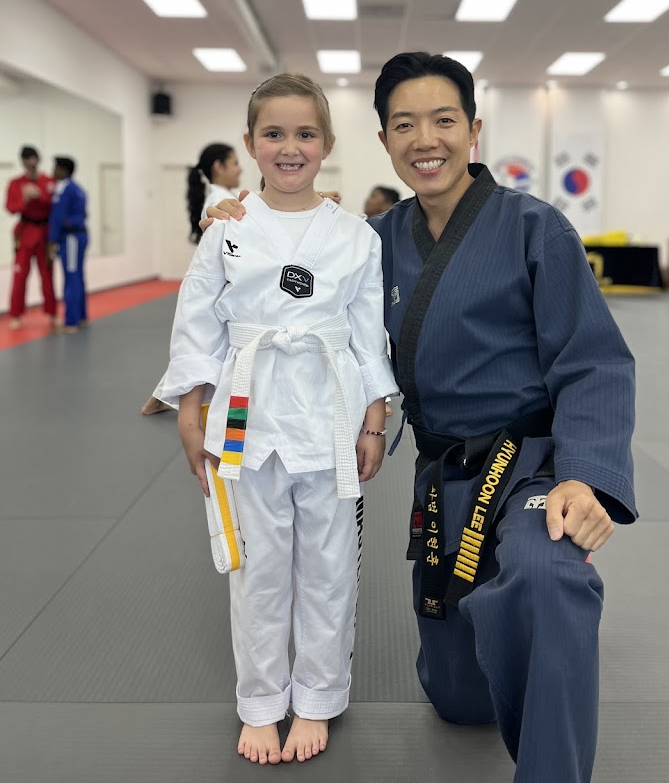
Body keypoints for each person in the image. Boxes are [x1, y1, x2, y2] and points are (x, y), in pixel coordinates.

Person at [204, 52, 636, 783]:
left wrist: (585, 478)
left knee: (547, 572)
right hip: (443, 477)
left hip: (531, 463)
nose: (425, 139)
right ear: (383, 140)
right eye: (405, 124)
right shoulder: (370, 240)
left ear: (473, 130)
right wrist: (238, 222)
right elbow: (288, 285)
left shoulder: (537, 229)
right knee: (460, 699)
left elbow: (595, 362)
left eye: (443, 120)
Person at [156, 73, 397, 765]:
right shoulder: (227, 229)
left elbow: (368, 334)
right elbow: (197, 322)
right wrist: (189, 411)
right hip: (246, 417)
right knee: (257, 570)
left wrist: (374, 421)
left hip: (330, 418)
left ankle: (317, 696)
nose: (290, 147)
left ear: (327, 143)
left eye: (305, 134)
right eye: (274, 134)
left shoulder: (355, 236)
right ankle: (261, 702)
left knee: (329, 569)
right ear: (250, 142)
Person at [141, 143, 243, 415]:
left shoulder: (224, 195)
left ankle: (160, 397)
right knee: (210, 347)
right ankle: (173, 400)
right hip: (221, 283)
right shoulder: (218, 200)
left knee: (207, 346)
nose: (240, 169)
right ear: (218, 167)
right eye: (234, 163)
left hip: (221, 281)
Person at [5, 145, 57, 330]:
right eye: (27, 160)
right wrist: (25, 199)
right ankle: (16, 315)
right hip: (25, 232)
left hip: (45, 233)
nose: (31, 164)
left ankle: (52, 313)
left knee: (47, 275)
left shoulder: (49, 182)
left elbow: (56, 206)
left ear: (38, 160)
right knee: (19, 276)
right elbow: (10, 208)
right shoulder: (15, 183)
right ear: (23, 162)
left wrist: (40, 196)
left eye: (33, 159)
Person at [48, 156, 88, 334]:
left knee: (71, 278)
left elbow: (58, 218)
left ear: (64, 170)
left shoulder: (65, 189)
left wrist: (52, 241)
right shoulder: (77, 189)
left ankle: (71, 321)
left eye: (56, 167)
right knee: (77, 276)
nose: (53, 171)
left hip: (71, 238)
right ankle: (82, 316)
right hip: (78, 236)